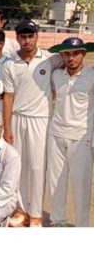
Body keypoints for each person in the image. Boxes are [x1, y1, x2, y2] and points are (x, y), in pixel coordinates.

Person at [2, 20, 61, 228]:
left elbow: (72, 61)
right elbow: (8, 97)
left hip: (40, 120)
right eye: (23, 36)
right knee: (19, 166)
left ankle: (36, 214)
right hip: (17, 118)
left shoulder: (49, 59)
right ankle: (21, 210)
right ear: (17, 37)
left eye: (30, 36)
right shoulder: (10, 64)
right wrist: (7, 127)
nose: (27, 41)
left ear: (37, 36)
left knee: (37, 167)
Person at [46, 37, 94, 227]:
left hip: (81, 137)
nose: (71, 58)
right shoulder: (57, 75)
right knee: (56, 182)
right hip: (56, 133)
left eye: (76, 53)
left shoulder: (91, 75)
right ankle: (58, 221)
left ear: (83, 54)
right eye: (67, 54)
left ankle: (82, 226)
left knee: (81, 185)